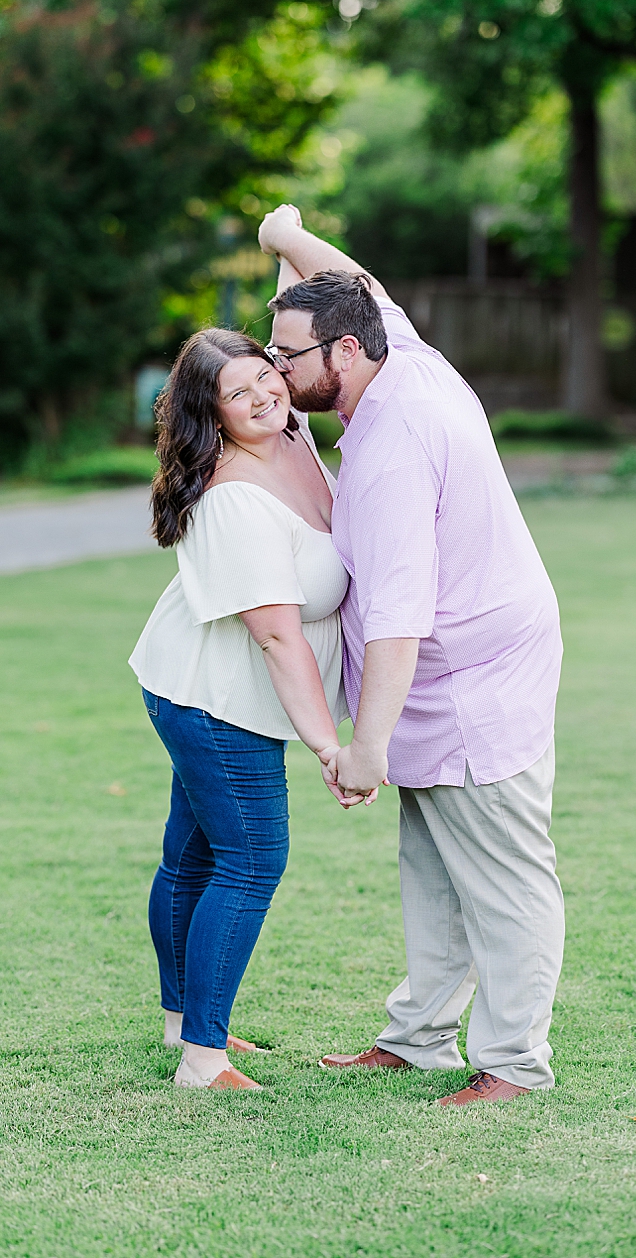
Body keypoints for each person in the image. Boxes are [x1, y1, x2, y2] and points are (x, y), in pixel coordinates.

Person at [257, 204, 565, 1107]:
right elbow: (364, 286)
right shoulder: (396, 353)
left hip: (469, 679)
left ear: (344, 355)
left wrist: (366, 750)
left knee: (505, 879)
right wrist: (286, 237)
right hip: (446, 668)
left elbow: (398, 620)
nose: (276, 370)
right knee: (431, 869)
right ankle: (419, 1037)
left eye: (289, 356)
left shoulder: (392, 447)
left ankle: (514, 1062)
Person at [129, 271, 378, 1093]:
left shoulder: (297, 436)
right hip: (213, 700)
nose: (264, 394)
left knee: (194, 854)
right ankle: (204, 1057)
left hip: (207, 682)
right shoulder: (234, 499)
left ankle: (182, 1024)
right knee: (248, 858)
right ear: (214, 416)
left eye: (265, 373)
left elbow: (308, 300)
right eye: (237, 394)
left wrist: (284, 234)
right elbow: (276, 636)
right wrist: (328, 747)